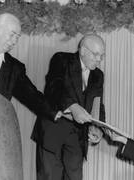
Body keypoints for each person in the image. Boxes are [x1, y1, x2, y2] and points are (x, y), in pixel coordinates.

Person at [31, 34, 106, 180]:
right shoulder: (61, 60)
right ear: (83, 50)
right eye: (96, 54)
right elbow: (54, 88)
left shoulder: (98, 75)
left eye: (102, 56)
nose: (99, 59)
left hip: (78, 139)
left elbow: (98, 104)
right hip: (52, 132)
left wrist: (98, 128)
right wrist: (73, 106)